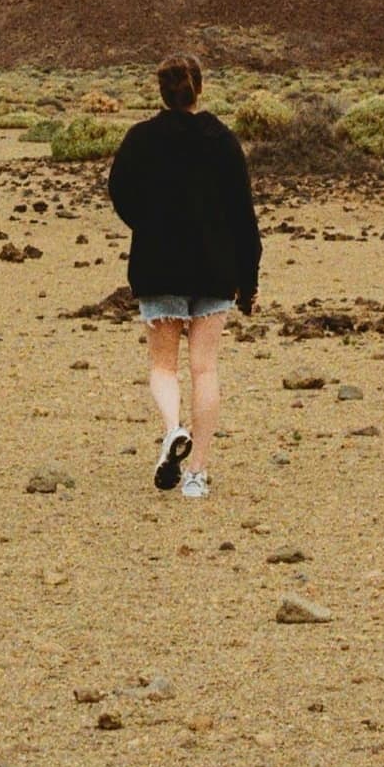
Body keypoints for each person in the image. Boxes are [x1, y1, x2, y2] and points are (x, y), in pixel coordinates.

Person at [106, 55, 260, 500]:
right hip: (215, 270)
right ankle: (196, 474)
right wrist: (247, 281)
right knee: (205, 368)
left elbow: (119, 191)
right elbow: (242, 217)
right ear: (199, 89)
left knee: (162, 366)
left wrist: (148, 225)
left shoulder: (141, 139)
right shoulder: (223, 141)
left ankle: (174, 429)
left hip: (159, 267)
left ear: (162, 93)